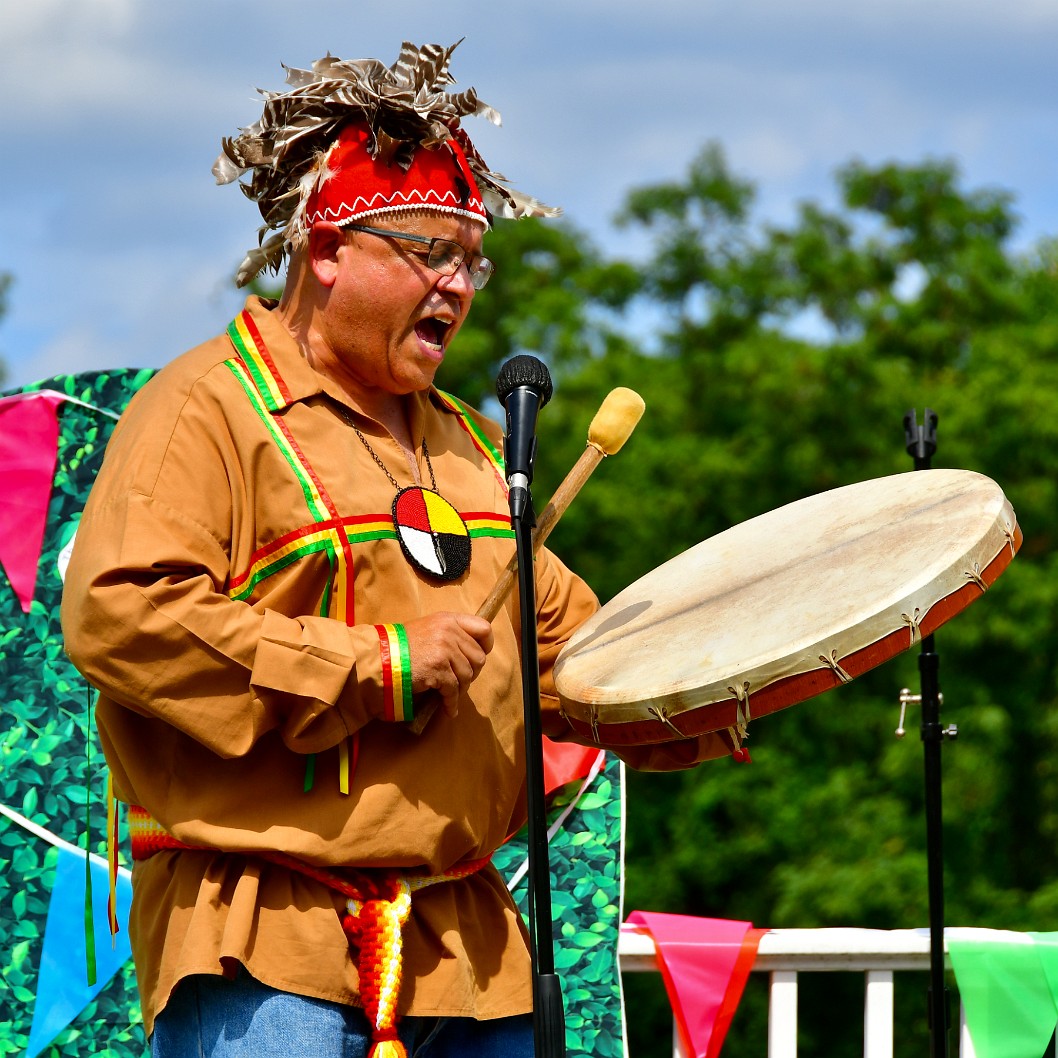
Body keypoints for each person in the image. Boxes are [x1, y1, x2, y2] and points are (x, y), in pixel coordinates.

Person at [60, 41, 726, 1058]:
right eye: (431, 252)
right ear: (327, 251)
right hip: (264, 940)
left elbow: (562, 655)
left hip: (466, 951)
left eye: (472, 260)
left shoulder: (466, 443)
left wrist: (716, 685)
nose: (459, 286)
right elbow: (120, 613)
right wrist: (371, 664)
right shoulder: (204, 408)